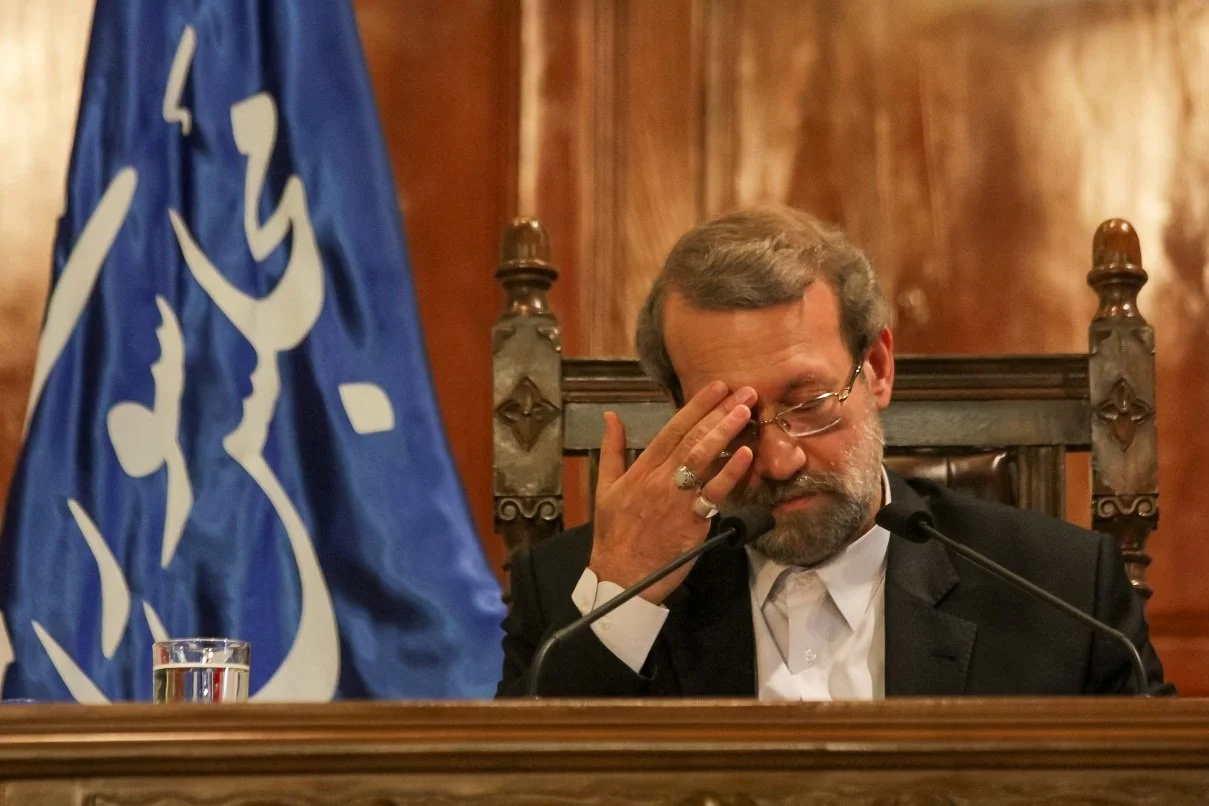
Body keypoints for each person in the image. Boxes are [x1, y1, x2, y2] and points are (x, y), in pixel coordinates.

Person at [496, 206, 1171, 699]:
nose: (779, 460)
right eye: (734, 419)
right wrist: (621, 595)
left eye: (810, 403)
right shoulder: (573, 595)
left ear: (876, 369)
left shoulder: (1061, 591)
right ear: (678, 409)